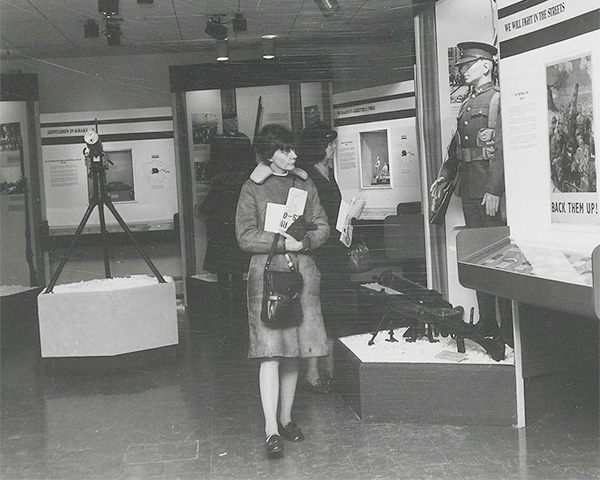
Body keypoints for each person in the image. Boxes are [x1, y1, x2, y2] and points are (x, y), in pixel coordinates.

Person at [235, 123, 330, 458]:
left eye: (293, 149)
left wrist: (304, 241)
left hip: (302, 272)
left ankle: (287, 420)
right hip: (267, 275)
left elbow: (323, 225)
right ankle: (270, 429)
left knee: (296, 350)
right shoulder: (252, 187)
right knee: (271, 351)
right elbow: (244, 236)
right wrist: (280, 241)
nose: (293, 155)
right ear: (269, 154)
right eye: (285, 150)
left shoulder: (305, 182)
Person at [430, 42, 513, 345]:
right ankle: (488, 321)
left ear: (486, 65)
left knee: (499, 260)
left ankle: (508, 329)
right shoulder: (467, 104)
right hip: (469, 190)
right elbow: (457, 148)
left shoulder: (498, 100)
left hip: (489, 193)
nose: (463, 70)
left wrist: (495, 189)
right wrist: (444, 176)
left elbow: (503, 150)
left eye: (468, 64)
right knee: (477, 259)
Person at [297, 122, 348, 394]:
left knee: (334, 310)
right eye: (330, 144)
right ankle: (313, 372)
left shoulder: (327, 172)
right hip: (317, 252)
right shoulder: (306, 176)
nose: (333, 148)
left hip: (335, 249)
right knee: (316, 313)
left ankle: (331, 368)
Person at [197, 111, 255, 347]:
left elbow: (207, 208)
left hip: (223, 238)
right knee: (239, 277)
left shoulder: (222, 183)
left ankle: (227, 320)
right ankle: (239, 317)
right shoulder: (244, 186)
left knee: (225, 280)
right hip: (235, 236)